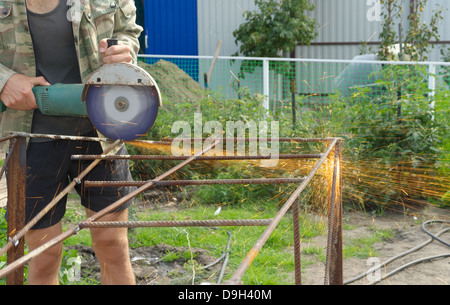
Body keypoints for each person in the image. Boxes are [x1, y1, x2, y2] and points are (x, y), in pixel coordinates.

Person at [0, 0, 143, 285]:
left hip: (103, 132)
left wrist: (124, 52)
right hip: (31, 139)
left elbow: (128, 32)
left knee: (114, 248)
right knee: (44, 256)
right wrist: (4, 80)